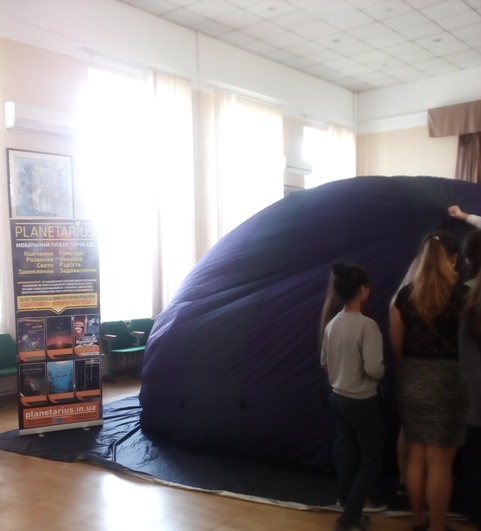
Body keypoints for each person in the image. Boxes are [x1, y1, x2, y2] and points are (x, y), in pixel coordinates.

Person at [390, 232, 469, 531]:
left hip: (411, 377)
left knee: (416, 454)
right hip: (449, 380)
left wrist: (408, 370)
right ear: (454, 259)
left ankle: (418, 521)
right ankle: (437, 527)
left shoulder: (405, 296)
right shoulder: (462, 296)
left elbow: (397, 344)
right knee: (440, 461)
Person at [320, 263, 385, 531]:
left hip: (337, 398)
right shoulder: (367, 326)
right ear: (362, 289)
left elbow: (324, 362)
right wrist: (381, 372)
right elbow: (373, 368)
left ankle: (347, 506)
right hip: (361, 400)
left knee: (348, 450)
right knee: (371, 458)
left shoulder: (332, 324)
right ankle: (348, 519)